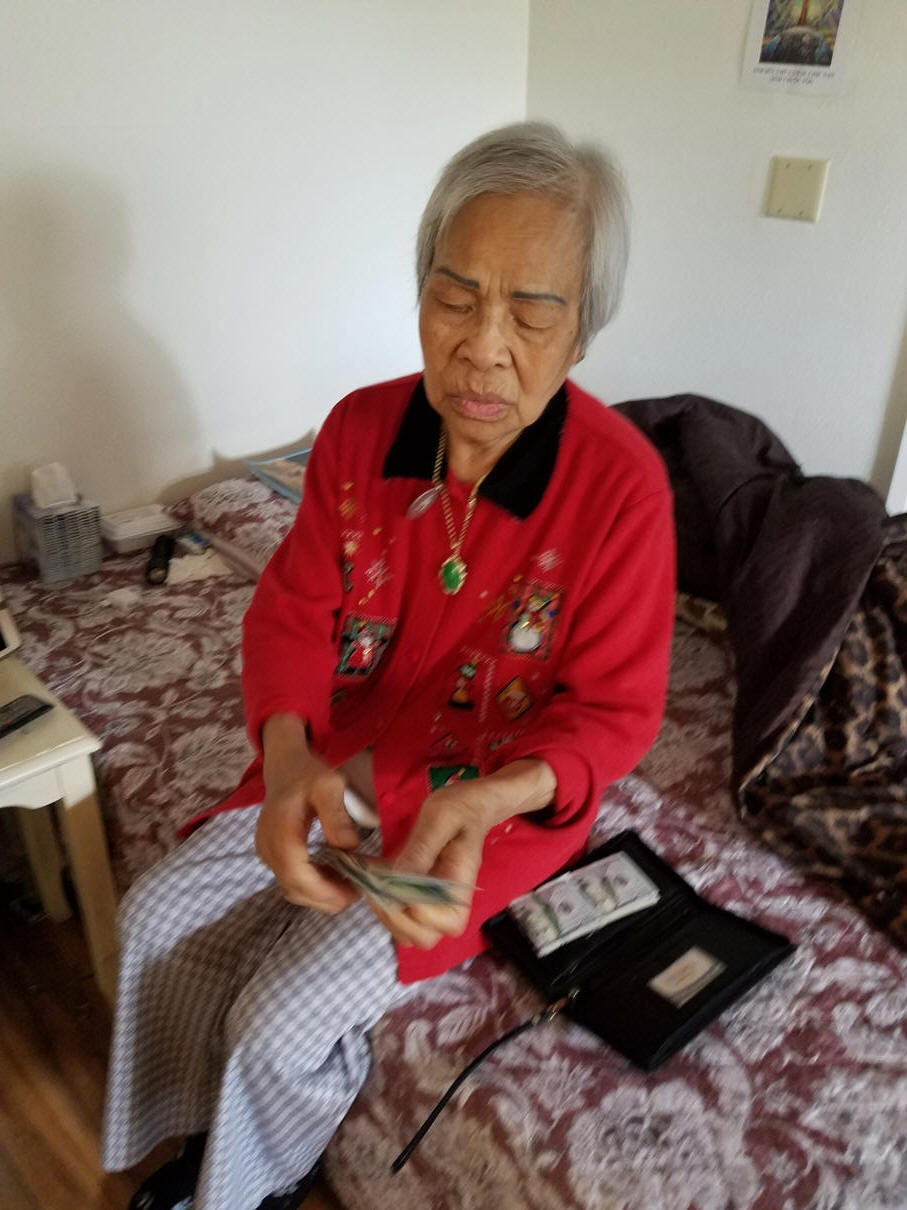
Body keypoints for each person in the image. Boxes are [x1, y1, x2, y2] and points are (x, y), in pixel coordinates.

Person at [101, 121, 676, 1210]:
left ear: (581, 333)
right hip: (335, 759)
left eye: (531, 313)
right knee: (158, 920)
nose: (484, 347)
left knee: (282, 1014)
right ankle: (190, 1139)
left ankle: (250, 1186)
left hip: (480, 805)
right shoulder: (360, 431)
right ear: (421, 291)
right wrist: (284, 758)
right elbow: (291, 611)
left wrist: (497, 796)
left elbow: (615, 711)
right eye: (455, 297)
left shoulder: (621, 486)